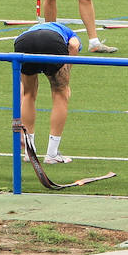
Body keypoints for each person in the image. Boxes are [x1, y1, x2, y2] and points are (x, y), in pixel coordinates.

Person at [14, 21, 79, 164]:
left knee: (28, 95)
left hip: (23, 42)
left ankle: (29, 152)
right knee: (60, 93)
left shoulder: (31, 30)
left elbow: (21, 87)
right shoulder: (70, 33)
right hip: (52, 43)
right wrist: (66, 74)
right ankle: (52, 154)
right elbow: (74, 46)